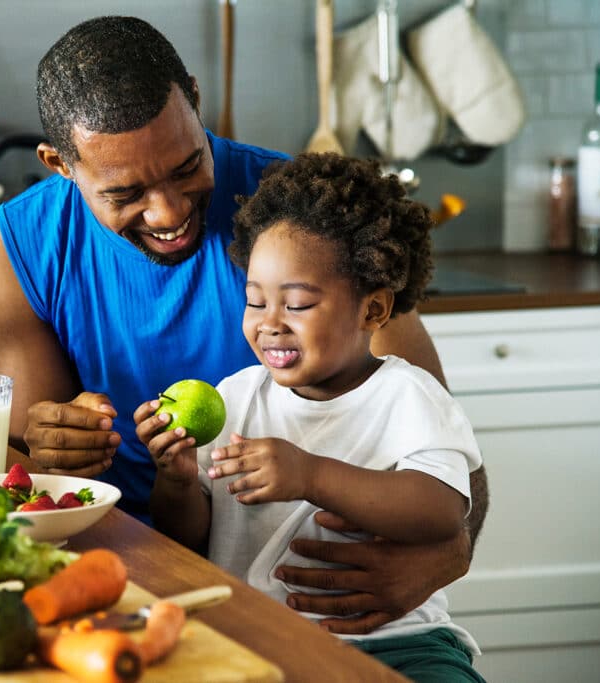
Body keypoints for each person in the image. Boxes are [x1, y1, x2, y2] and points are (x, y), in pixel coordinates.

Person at [0, 14, 490, 636]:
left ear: (194, 97)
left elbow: (447, 448)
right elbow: (34, 472)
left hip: (315, 602)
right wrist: (50, 441)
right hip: (111, 573)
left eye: (188, 166)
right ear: (61, 164)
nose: (168, 212)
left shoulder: (299, 219)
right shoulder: (12, 249)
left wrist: (446, 558)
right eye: (125, 192)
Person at [134, 153, 485, 681]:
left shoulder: (408, 396)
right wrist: (178, 481)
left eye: (296, 305)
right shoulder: (237, 398)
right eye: (255, 302)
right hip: (256, 638)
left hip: (397, 642)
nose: (270, 325)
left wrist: (311, 474)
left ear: (373, 311)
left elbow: (441, 512)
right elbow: (190, 539)